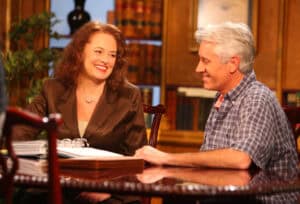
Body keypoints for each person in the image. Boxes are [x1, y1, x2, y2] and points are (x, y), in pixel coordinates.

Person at [135, 21, 299, 172]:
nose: (198, 69)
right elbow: (209, 162)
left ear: (233, 63)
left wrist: (166, 158)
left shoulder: (257, 98)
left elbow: (240, 159)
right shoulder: (222, 97)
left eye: (205, 61)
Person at [12, 21, 147, 204]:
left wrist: (107, 188)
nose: (106, 60)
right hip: (60, 185)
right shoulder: (53, 89)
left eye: (112, 55)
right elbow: (19, 133)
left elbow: (138, 158)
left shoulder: (129, 95)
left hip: (108, 191)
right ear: (80, 51)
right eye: (99, 52)